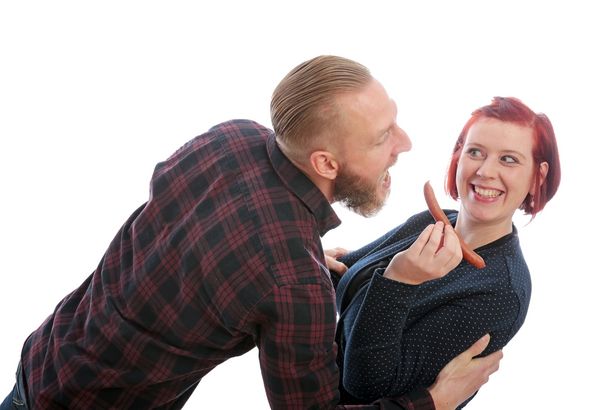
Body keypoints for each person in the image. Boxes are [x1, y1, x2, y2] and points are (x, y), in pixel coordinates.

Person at [1, 55, 502, 410]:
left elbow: (183, 227)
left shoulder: (230, 136)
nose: (404, 143)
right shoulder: (292, 285)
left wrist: (298, 257)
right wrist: (434, 402)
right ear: (324, 162)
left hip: (43, 363)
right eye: (381, 138)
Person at [333, 97, 561, 408]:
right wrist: (312, 257)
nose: (485, 171)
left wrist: (399, 281)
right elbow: (342, 282)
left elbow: (365, 383)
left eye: (508, 159)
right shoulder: (431, 219)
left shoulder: (502, 291)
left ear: (538, 177)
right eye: (475, 152)